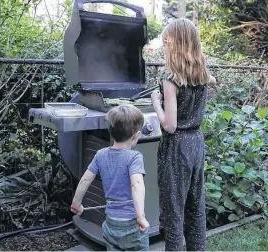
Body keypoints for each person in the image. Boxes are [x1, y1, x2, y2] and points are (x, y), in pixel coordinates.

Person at [151, 18, 216, 251]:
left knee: (173, 210)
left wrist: (155, 103)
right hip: (196, 143)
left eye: (167, 43)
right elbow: (212, 80)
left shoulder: (171, 78)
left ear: (175, 45)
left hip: (177, 146)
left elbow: (169, 125)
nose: (165, 47)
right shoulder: (202, 74)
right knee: (195, 205)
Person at [70, 104, 150, 251]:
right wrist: (140, 216)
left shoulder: (100, 154)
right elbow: (136, 184)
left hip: (111, 224)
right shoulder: (135, 157)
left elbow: (85, 179)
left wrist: (77, 203)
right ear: (136, 135)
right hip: (132, 223)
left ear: (110, 132)